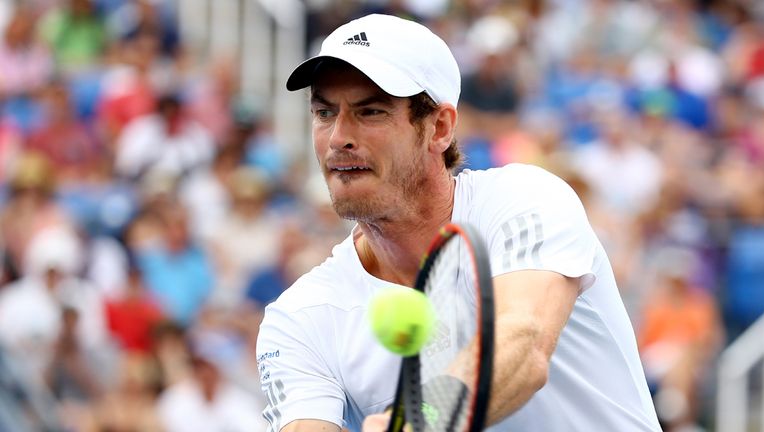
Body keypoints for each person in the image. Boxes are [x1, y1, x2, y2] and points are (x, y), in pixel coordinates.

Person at [256, 13, 661, 432]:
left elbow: (522, 344)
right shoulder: (299, 318)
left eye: (370, 112)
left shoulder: (526, 198)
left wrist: (419, 420)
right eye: (324, 113)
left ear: (440, 128)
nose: (339, 136)